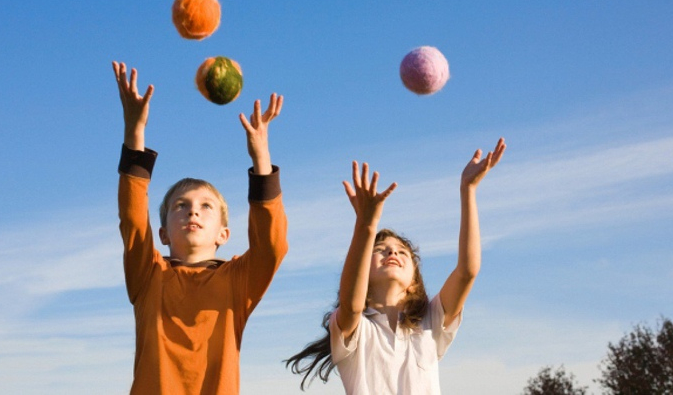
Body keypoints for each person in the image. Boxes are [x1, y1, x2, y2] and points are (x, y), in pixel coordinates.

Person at [113, 61, 288, 395]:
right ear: (162, 233)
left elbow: (272, 244)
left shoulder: (238, 280)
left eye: (206, 206)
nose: (193, 210)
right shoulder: (148, 274)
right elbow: (133, 220)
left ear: (224, 233)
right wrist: (134, 131)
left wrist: (261, 158)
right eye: (180, 206)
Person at [286, 138, 506, 394]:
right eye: (380, 250)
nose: (392, 251)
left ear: (414, 280)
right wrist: (366, 225)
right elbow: (352, 303)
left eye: (403, 252)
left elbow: (467, 271)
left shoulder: (431, 322)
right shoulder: (354, 328)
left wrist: (467, 190)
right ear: (363, 274)